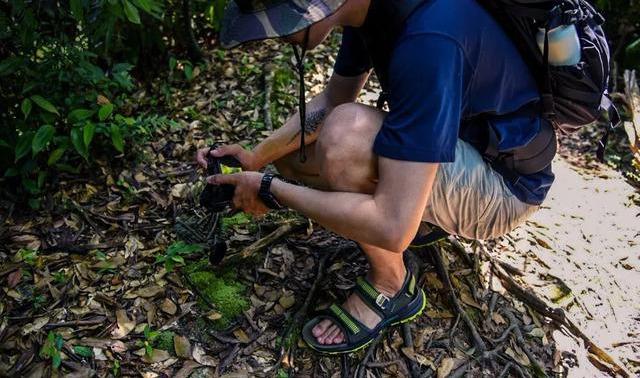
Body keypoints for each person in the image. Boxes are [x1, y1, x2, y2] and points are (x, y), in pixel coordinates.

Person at [195, 0, 556, 354]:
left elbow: (392, 227)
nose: (275, 34)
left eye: (280, 19)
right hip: (460, 148)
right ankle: (424, 216)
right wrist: (256, 158)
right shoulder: (367, 10)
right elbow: (335, 98)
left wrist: (271, 190)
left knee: (344, 139)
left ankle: (392, 284)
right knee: (294, 153)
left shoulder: (429, 38)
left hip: (505, 188)